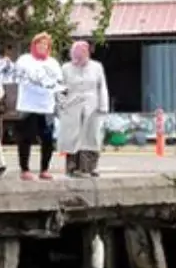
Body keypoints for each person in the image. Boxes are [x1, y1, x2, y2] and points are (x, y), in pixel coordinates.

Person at [15, 32, 63, 180]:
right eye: (39, 44)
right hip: (28, 105)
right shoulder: (25, 60)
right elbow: (19, 76)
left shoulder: (53, 63)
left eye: (45, 45)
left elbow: (59, 82)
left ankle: (44, 169)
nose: (42, 47)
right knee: (26, 138)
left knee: (48, 139)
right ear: (34, 45)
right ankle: (25, 169)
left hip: (47, 106)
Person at [59, 40, 109, 178]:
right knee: (73, 136)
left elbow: (102, 87)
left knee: (91, 136)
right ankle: (72, 167)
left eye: (83, 52)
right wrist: (61, 105)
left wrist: (103, 106)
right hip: (72, 104)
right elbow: (61, 89)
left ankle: (89, 167)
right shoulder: (66, 68)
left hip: (92, 104)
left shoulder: (97, 67)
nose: (80, 55)